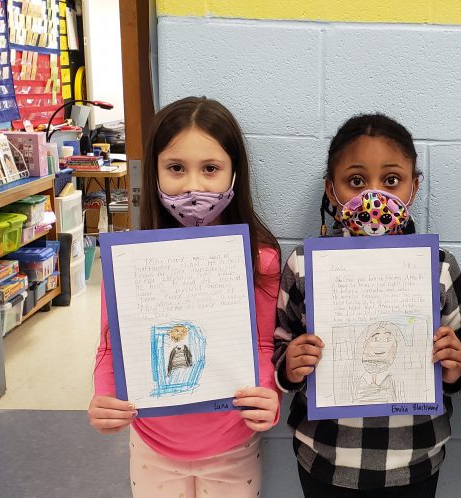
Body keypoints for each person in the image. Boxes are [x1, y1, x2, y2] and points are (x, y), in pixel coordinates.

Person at [88, 97, 281, 497]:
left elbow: (263, 344)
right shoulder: (127, 261)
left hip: (233, 442)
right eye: (176, 168)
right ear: (155, 172)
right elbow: (111, 346)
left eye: (210, 169)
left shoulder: (260, 259)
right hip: (152, 442)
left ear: (233, 173)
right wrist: (104, 395)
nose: (194, 186)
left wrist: (268, 394)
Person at [273, 114, 461, 496]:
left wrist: (454, 365)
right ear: (332, 190)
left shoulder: (439, 267)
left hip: (415, 460)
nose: (374, 195)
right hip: (326, 457)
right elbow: (281, 344)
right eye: (357, 181)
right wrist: (291, 366)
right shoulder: (303, 264)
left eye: (392, 180)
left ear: (414, 187)